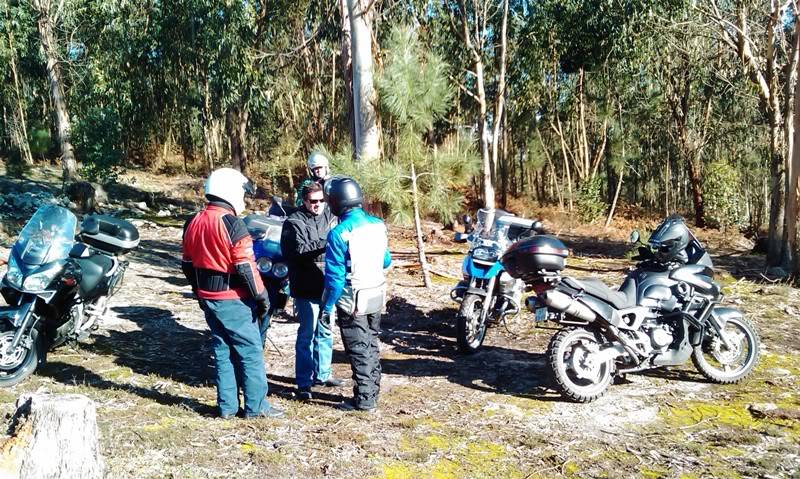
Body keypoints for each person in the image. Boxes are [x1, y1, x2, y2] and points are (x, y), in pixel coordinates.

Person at [181, 167, 284, 419]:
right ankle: (256, 407)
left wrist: (199, 293)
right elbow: (245, 266)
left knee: (223, 349)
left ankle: (227, 407)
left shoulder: (193, 220)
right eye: (242, 193)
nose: (244, 198)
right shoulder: (232, 223)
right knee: (250, 352)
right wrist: (262, 297)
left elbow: (186, 263)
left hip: (208, 296)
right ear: (230, 191)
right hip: (232, 298)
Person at [319, 177, 391, 412]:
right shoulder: (378, 225)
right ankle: (373, 391)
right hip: (376, 293)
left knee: (358, 348)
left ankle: (364, 400)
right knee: (371, 343)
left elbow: (335, 279)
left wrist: (327, 306)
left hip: (353, 299)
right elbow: (386, 260)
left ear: (336, 202)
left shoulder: (340, 233)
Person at [280, 182, 343, 401]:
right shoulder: (293, 222)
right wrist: (327, 243)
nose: (317, 205)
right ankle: (304, 381)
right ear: (304, 201)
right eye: (312, 201)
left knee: (326, 331)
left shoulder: (331, 216)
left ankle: (323, 374)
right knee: (307, 335)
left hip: (328, 285)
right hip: (305, 286)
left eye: (320, 201)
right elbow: (295, 252)